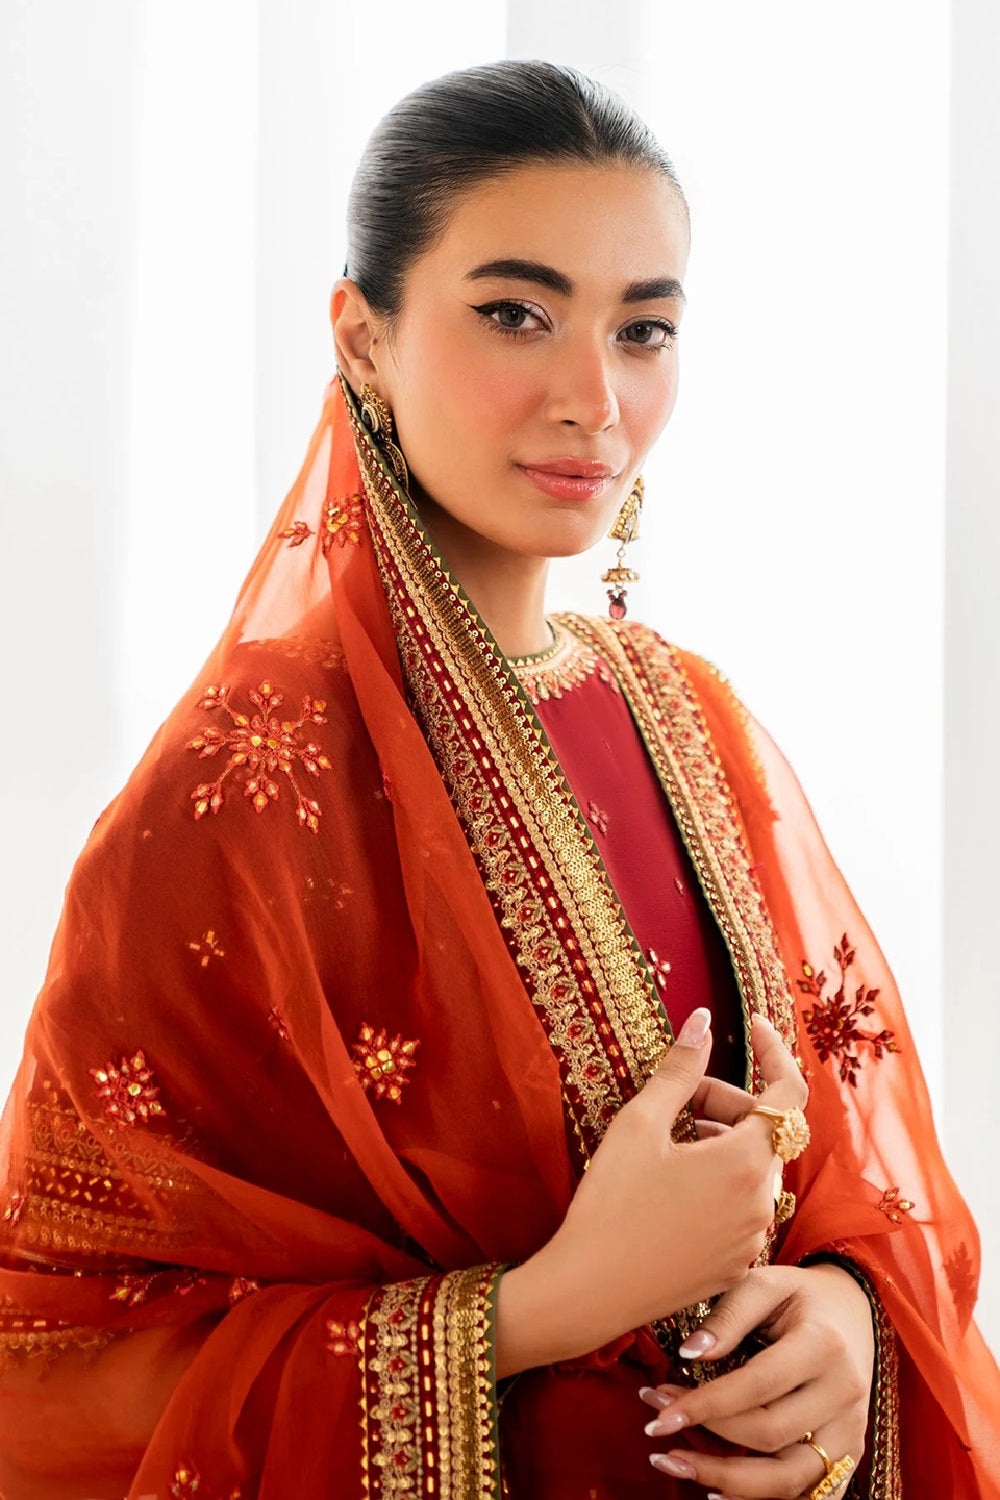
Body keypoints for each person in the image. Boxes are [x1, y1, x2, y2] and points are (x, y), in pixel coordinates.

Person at [0, 59, 996, 1500]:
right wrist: (546, 1309)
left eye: (642, 329)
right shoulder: (237, 794)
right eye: (517, 314)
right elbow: (61, 1367)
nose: (596, 398)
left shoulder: (691, 718)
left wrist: (844, 1316)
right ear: (364, 338)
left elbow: (863, 1175)